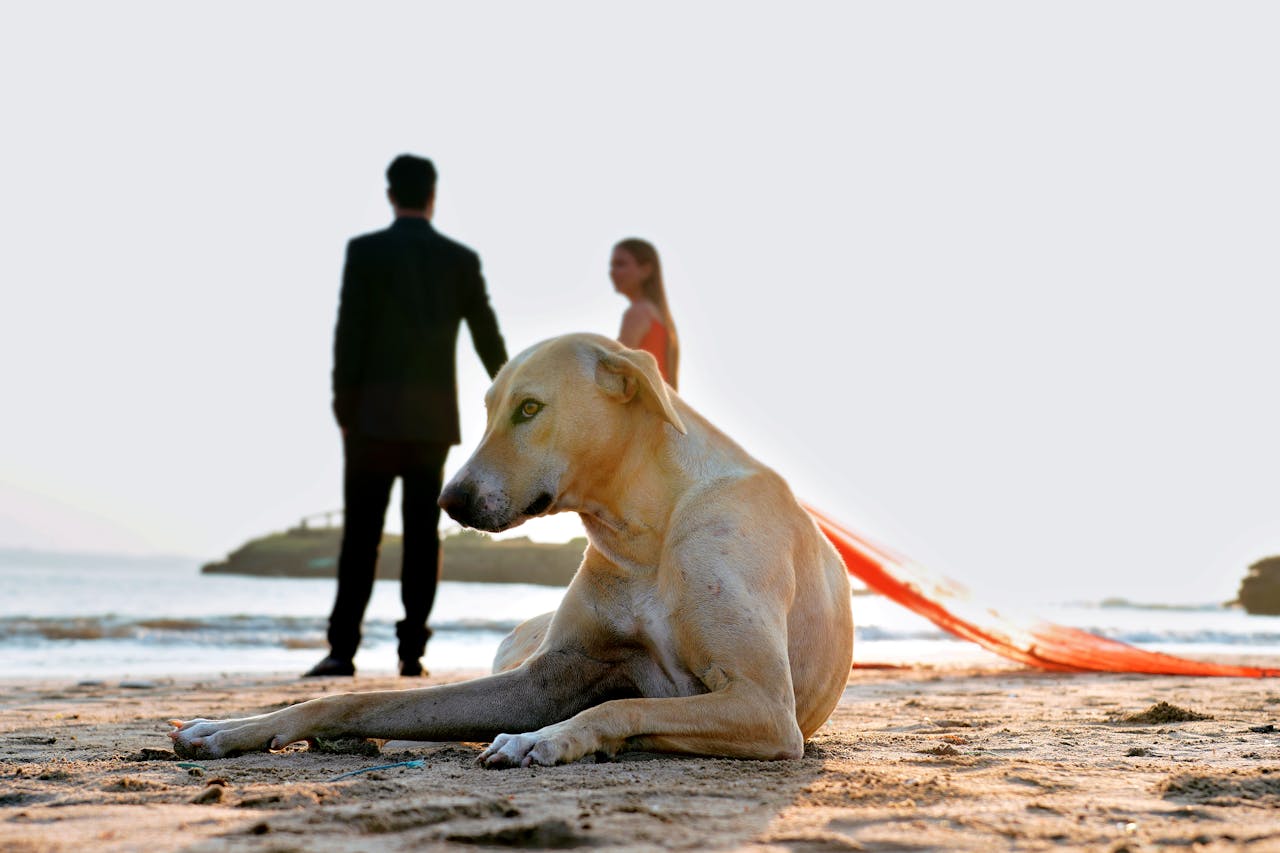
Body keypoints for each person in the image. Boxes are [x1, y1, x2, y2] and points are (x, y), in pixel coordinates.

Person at [307, 154, 508, 678]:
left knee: (361, 536)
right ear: (432, 195)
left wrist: (343, 404)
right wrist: (512, 398)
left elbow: (349, 331)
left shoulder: (366, 251)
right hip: (431, 420)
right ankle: (411, 653)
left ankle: (341, 651)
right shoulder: (459, 260)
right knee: (423, 537)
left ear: (391, 194)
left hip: (371, 418)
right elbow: (488, 337)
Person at [610, 238, 679, 388]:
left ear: (646, 270)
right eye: (612, 265)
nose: (612, 272)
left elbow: (617, 371)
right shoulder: (661, 317)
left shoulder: (638, 313)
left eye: (620, 264)